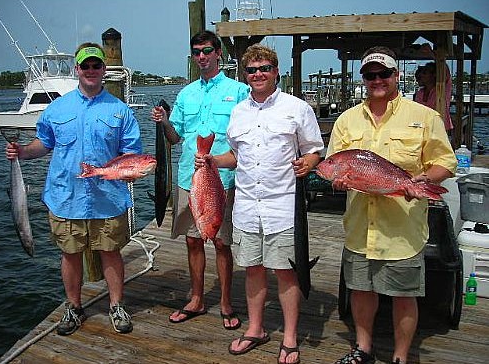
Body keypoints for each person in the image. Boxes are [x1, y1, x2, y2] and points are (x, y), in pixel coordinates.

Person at [196, 44, 324, 364]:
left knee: (285, 272)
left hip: (283, 207)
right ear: (245, 74)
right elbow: (236, 156)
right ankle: (255, 329)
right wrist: (211, 160)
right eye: (252, 70)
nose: (258, 75)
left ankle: (290, 336)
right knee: (253, 269)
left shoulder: (297, 108)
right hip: (246, 208)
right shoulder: (239, 111)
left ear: (276, 71)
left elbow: (313, 150)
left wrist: (308, 163)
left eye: (264, 68)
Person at [328, 46, 457, 364]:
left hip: (402, 229)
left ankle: (400, 356)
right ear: (364, 79)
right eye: (371, 75)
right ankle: (363, 348)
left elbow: (446, 161)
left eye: (384, 73)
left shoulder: (424, 117)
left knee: (404, 295)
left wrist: (419, 181)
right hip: (360, 227)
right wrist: (336, 180)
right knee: (361, 290)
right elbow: (334, 165)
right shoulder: (346, 120)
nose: (378, 80)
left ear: (396, 75)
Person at [6, 42, 141, 336]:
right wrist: (22, 152)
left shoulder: (120, 111)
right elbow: (43, 144)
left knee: (111, 252)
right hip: (65, 197)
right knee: (69, 254)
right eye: (86, 65)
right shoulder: (57, 109)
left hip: (108, 198)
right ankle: (74, 306)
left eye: (97, 65)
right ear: (77, 69)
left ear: (104, 70)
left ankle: (116, 305)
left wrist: (131, 173)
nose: (91, 70)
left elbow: (132, 154)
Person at [150, 30, 249, 330]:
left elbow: (247, 137)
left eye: (207, 50)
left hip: (223, 179)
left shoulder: (240, 91)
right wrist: (163, 121)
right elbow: (175, 137)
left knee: (221, 242)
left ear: (219, 53)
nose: (202, 56)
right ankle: (196, 298)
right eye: (197, 52)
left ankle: (226, 302)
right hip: (187, 178)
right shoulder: (186, 94)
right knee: (193, 240)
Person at [414, 43, 454, 132]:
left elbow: (444, 68)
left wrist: (431, 53)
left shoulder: (443, 87)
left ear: (434, 74)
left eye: (425, 73)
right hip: (423, 129)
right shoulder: (420, 93)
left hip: (440, 129)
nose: (421, 75)